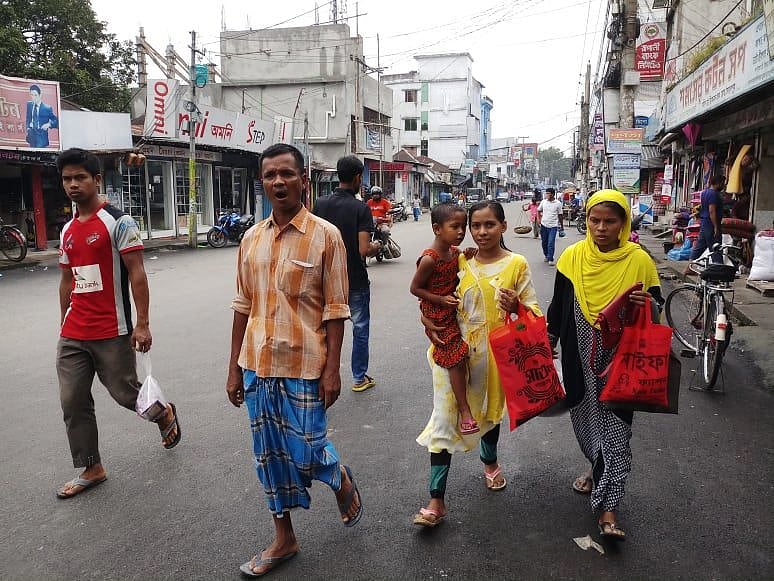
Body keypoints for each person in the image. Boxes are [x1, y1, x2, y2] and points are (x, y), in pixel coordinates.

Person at [226, 144, 363, 578]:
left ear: (305, 180)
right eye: (270, 175)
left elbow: (337, 309)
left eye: (287, 174)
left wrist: (334, 368)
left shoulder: (326, 236)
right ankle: (283, 538)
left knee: (306, 449)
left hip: (306, 364)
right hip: (257, 365)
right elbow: (242, 305)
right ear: (262, 182)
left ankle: (338, 478)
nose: (278, 182)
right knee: (267, 456)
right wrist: (233, 366)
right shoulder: (251, 238)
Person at [54, 148, 180, 499]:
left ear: (97, 180)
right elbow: (67, 279)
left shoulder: (118, 222)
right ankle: (91, 466)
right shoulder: (66, 230)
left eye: (81, 177)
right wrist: (62, 320)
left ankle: (163, 413)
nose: (73, 185)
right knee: (72, 401)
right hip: (74, 331)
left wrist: (143, 324)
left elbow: (137, 274)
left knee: (126, 394)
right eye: (67, 179)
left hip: (112, 329)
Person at [413, 201, 541, 527]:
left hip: (494, 358)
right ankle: (436, 500)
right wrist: (427, 320)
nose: (482, 232)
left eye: (489, 225)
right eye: (476, 226)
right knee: (444, 419)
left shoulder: (517, 264)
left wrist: (517, 308)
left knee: (488, 414)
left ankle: (490, 463)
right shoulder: (459, 260)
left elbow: (535, 317)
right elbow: (432, 295)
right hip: (452, 350)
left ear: (503, 227)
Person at [547, 189, 661, 542]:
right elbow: (559, 304)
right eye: (594, 220)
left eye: (610, 221)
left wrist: (646, 303)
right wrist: (548, 342)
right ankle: (597, 469)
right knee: (585, 421)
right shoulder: (572, 257)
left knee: (617, 429)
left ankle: (608, 509)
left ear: (624, 223)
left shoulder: (639, 260)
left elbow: (656, 311)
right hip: (579, 356)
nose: (600, 228)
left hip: (623, 360)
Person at [410, 203, 478, 436]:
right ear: (437, 229)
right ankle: (464, 410)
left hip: (452, 308)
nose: (461, 232)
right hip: (437, 312)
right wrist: (438, 300)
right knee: (456, 358)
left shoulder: (454, 252)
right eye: (454, 227)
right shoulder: (430, 259)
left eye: (463, 227)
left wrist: (466, 256)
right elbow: (415, 289)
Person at [314, 155, 381, 393]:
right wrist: (378, 246)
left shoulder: (320, 204)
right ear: (356, 178)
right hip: (354, 279)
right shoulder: (361, 208)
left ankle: (317, 376)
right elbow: (364, 249)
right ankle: (359, 378)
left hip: (324, 281)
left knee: (321, 330)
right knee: (360, 329)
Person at [691, 175, 726, 262]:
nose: (724, 186)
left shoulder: (704, 192)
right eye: (723, 184)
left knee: (699, 247)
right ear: (718, 183)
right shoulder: (713, 194)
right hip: (710, 223)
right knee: (716, 247)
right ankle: (718, 269)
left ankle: (689, 266)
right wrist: (716, 227)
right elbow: (712, 211)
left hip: (705, 222)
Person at [538, 187, 564, 265]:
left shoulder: (558, 203)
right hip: (544, 225)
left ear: (552, 194)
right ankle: (546, 255)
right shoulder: (543, 202)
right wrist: (539, 219)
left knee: (551, 243)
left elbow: (560, 215)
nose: (547, 195)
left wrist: (562, 226)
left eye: (548, 193)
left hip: (553, 226)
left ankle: (551, 258)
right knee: (544, 242)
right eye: (546, 193)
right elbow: (538, 210)